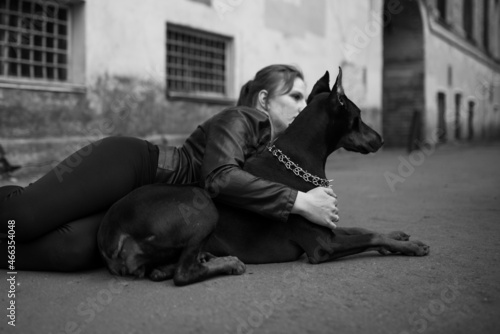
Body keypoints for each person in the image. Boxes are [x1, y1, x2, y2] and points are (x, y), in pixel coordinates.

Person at [0, 64, 339, 272]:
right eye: (295, 96)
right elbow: (221, 178)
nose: (302, 106)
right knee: (22, 216)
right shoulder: (244, 118)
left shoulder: (273, 150)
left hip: (145, 207)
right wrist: (301, 201)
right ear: (264, 99)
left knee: (72, 251)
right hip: (133, 166)